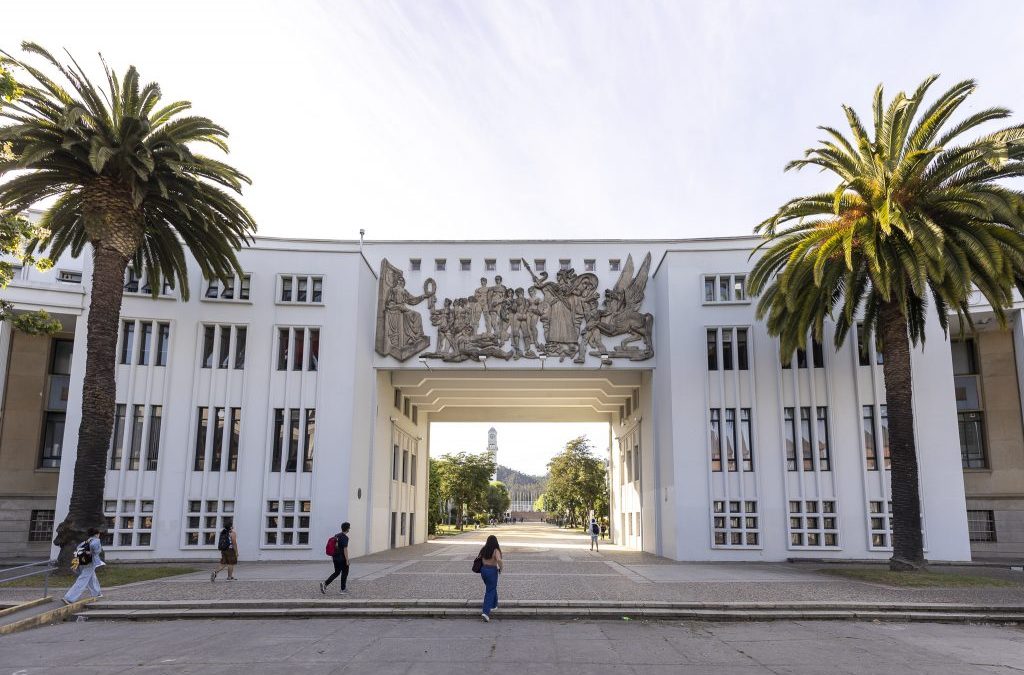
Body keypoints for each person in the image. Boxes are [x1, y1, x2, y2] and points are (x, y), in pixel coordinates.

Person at [62, 527, 104, 604]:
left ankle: (97, 593)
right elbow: (96, 549)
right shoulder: (96, 540)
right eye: (99, 534)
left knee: (91, 577)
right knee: (83, 579)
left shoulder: (86, 541)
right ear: (97, 534)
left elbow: (78, 548)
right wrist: (93, 552)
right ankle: (69, 597)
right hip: (90, 562)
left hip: (82, 561)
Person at [320, 522, 350, 594]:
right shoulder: (345, 538)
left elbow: (334, 546)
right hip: (342, 558)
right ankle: (343, 590)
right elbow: (345, 549)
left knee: (337, 572)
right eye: (349, 528)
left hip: (335, 558)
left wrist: (333, 556)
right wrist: (347, 560)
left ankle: (325, 584)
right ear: (348, 529)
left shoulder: (336, 535)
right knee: (345, 573)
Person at [478, 534, 502, 622]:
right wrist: (501, 568)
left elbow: (479, 558)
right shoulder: (496, 550)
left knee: (491, 587)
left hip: (483, 570)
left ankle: (494, 605)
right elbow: (499, 560)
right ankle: (485, 612)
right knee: (490, 590)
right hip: (492, 571)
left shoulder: (484, 549)